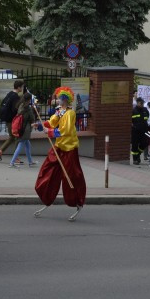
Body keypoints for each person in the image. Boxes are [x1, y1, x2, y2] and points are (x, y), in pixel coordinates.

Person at [33, 86, 86, 221]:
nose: (57, 100)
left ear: (65, 100)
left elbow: (65, 131)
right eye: (57, 98)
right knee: (47, 171)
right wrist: (40, 125)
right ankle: (46, 195)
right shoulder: (60, 111)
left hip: (69, 149)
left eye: (59, 98)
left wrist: (49, 132)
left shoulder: (70, 113)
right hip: (58, 147)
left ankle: (77, 200)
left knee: (72, 176)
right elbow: (51, 123)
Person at [0, 79, 25, 161]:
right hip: (12, 120)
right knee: (16, 137)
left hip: (7, 118)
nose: (22, 88)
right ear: (19, 87)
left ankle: (0, 151)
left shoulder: (9, 94)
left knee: (12, 137)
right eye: (22, 87)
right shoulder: (15, 96)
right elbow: (14, 109)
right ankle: (15, 158)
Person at [9, 92, 37, 168]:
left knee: (27, 146)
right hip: (26, 129)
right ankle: (12, 162)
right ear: (29, 100)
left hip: (20, 127)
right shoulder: (28, 109)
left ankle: (30, 162)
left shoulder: (20, 106)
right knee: (20, 146)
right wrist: (34, 109)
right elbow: (32, 119)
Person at [130, 98, 148, 165]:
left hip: (144, 130)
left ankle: (138, 155)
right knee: (134, 145)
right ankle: (135, 159)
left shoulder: (145, 110)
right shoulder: (133, 110)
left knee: (144, 143)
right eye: (140, 103)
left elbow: (147, 118)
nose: (142, 104)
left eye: (142, 103)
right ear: (137, 103)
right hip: (135, 131)